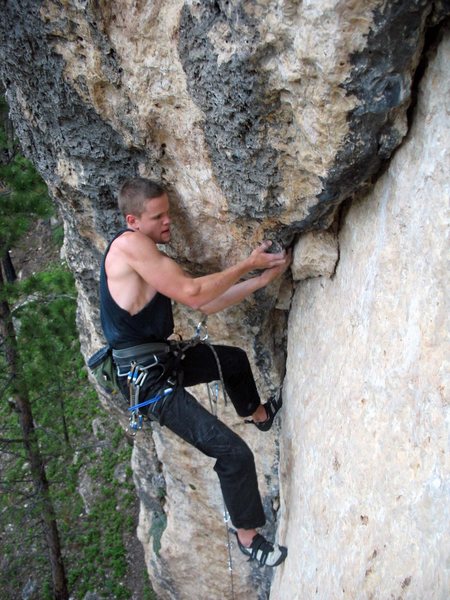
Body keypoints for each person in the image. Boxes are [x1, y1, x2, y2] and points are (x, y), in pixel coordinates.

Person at [99, 177, 291, 568]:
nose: (169, 221)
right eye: (159, 216)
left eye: (168, 212)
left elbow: (208, 304)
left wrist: (261, 280)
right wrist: (249, 263)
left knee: (232, 360)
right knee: (232, 453)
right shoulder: (129, 246)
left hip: (160, 360)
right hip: (146, 380)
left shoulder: (147, 251)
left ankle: (259, 415)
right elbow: (192, 293)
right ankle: (248, 536)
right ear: (133, 220)